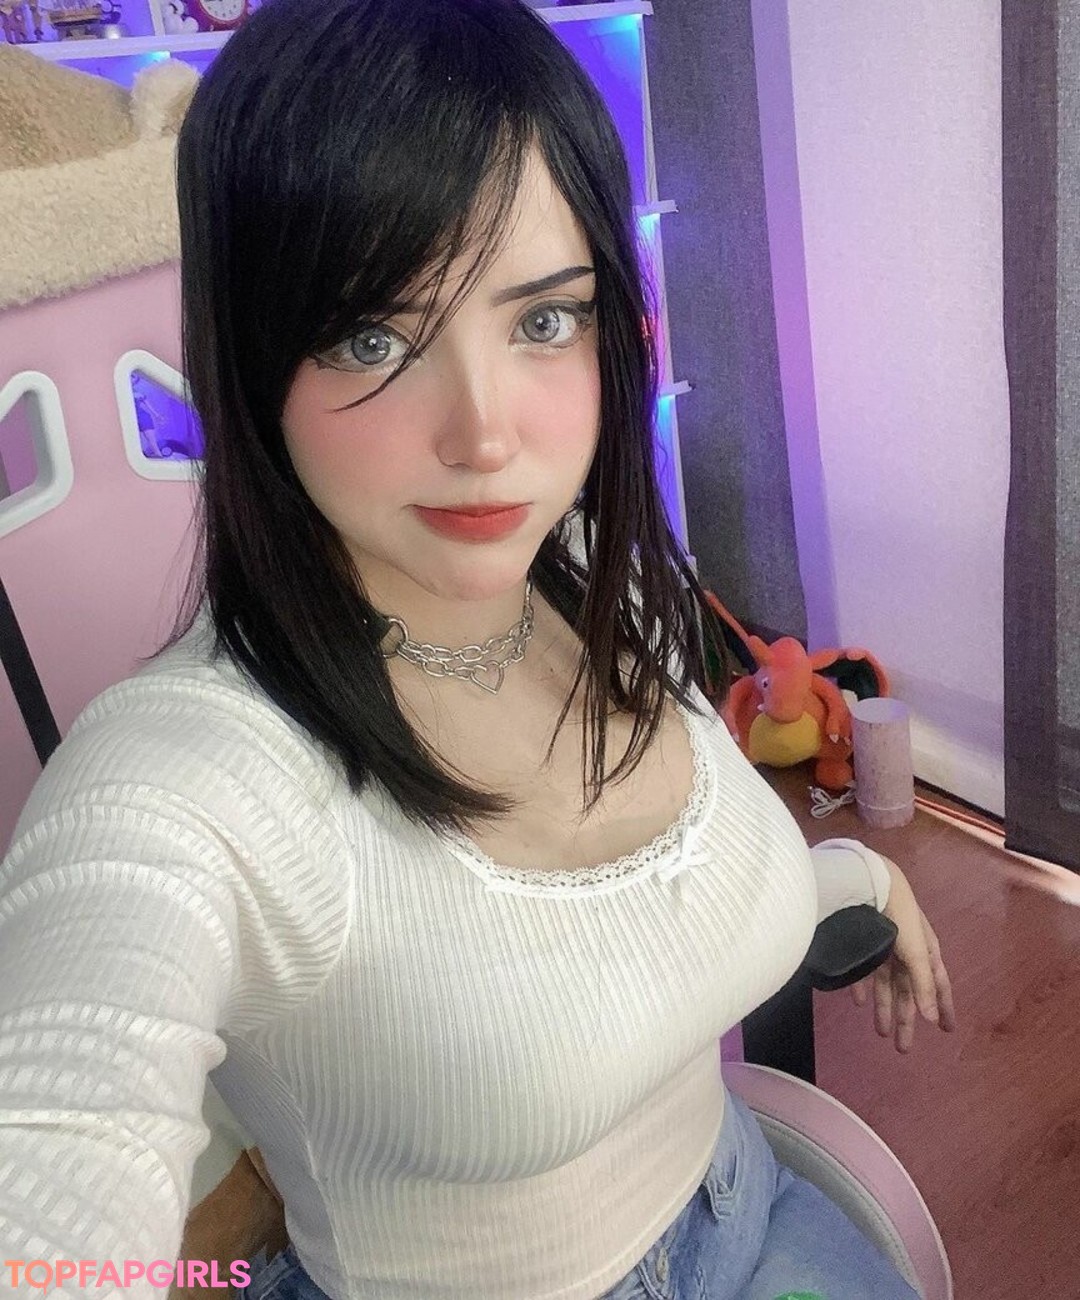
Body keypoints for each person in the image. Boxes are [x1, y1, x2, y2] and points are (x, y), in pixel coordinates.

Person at [0, 0, 955, 1296]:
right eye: (374, 337)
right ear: (251, 357)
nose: (487, 434)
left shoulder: (586, 576)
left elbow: (663, 911)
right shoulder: (186, 778)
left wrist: (859, 881)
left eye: (544, 321)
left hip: (754, 1208)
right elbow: (56, 1157)